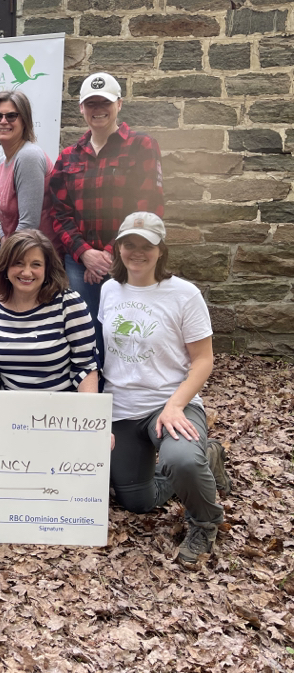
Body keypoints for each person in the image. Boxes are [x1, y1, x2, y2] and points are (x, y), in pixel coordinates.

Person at [98, 212, 231, 565]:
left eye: (147, 246)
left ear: (161, 251)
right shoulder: (109, 289)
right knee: (137, 502)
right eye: (129, 244)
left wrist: (175, 405)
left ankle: (205, 522)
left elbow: (203, 360)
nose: (137, 252)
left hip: (169, 404)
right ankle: (211, 455)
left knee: (181, 460)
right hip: (122, 409)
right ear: (118, 247)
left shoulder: (184, 295)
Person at [50, 72, 164, 364]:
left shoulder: (142, 146)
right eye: (90, 103)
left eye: (105, 102)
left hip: (130, 257)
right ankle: (94, 394)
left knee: (128, 331)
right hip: (81, 263)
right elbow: (59, 212)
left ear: (119, 104)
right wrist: (85, 253)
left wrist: (112, 254)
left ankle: (126, 395)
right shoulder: (68, 157)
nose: (97, 109)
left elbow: (148, 206)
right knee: (86, 332)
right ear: (81, 108)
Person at [0, 230, 98, 393]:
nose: (26, 272)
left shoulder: (68, 303)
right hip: (9, 410)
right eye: (18, 263)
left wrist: (85, 416)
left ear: (48, 268)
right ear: (5, 266)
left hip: (60, 412)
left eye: (36, 264)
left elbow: (86, 367)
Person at [0, 89, 57, 244]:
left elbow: (28, 226)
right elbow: (3, 219)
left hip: (37, 259)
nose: (3, 121)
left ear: (24, 121)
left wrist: (5, 258)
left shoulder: (28, 156)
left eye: (11, 116)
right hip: (15, 254)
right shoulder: (0, 164)